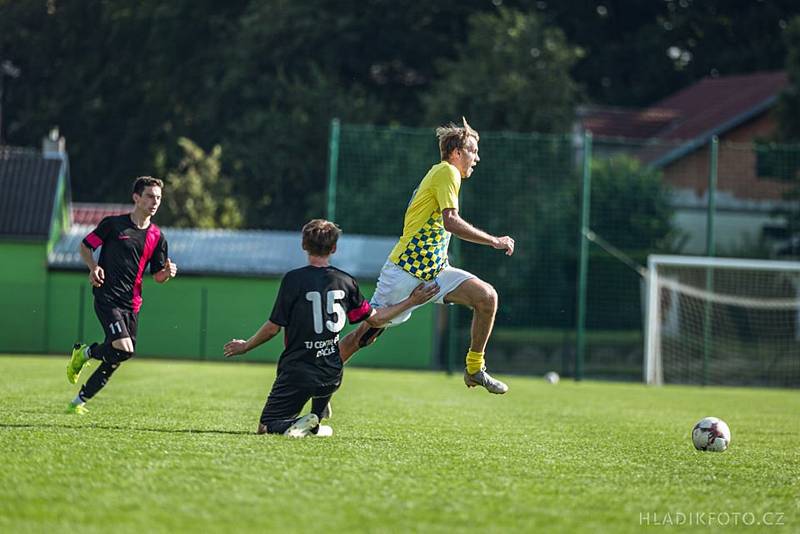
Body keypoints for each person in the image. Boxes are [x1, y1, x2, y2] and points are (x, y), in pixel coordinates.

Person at [338, 117, 515, 394]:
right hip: (405, 272)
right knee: (366, 334)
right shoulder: (447, 172)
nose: (477, 158)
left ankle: (474, 368)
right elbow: (451, 222)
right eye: (473, 151)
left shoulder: (445, 175)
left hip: (436, 273)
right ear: (456, 153)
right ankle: (319, 375)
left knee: (487, 297)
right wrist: (494, 240)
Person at [223, 219, 439, 437]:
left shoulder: (293, 280)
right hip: (331, 373)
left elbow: (273, 328)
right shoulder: (346, 281)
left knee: (266, 426)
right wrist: (412, 301)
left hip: (298, 371)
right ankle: (315, 423)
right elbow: (375, 319)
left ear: (304, 245)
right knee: (317, 409)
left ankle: (298, 423)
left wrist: (246, 346)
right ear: (334, 248)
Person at [66, 176, 177, 414]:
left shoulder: (158, 237)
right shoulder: (113, 225)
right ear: (136, 198)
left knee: (119, 355)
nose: (154, 202)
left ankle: (78, 402)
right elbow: (85, 246)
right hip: (107, 297)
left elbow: (157, 276)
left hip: (132, 304)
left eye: (158, 197)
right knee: (123, 348)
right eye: (149, 196)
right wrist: (93, 267)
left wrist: (167, 272)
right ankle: (85, 353)